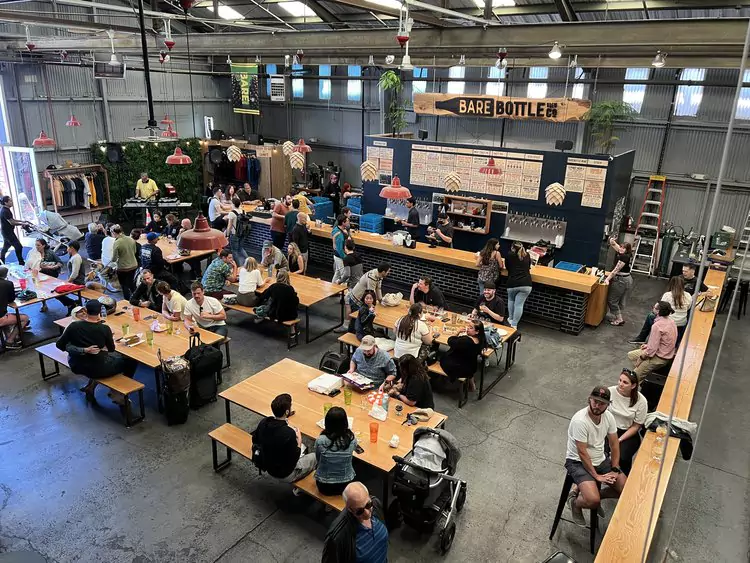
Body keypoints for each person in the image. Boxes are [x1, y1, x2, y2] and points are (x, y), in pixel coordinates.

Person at [565, 386, 627, 526]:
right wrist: (596, 476)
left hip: (600, 458)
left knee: (626, 490)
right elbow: (582, 452)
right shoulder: (580, 421)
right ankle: (575, 503)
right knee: (592, 501)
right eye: (595, 401)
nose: (597, 406)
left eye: (601, 403)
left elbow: (614, 444)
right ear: (589, 399)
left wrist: (615, 468)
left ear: (607, 405)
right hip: (577, 462)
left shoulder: (608, 417)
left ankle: (598, 495)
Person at [56, 299, 138, 405]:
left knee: (105, 359)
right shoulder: (104, 328)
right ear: (100, 312)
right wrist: (88, 349)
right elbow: (111, 349)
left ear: (86, 310)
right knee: (130, 360)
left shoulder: (74, 326)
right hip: (99, 368)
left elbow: (59, 345)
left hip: (76, 365)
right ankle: (119, 392)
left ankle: (91, 387)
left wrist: (82, 350)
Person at [251, 393, 316, 482]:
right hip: (284, 474)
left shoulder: (264, 422)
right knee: (315, 456)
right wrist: (299, 441)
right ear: (287, 412)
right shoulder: (289, 433)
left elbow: (254, 439)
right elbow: (294, 458)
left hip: (267, 464)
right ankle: (305, 487)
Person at [322, 482, 388, 563]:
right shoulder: (338, 537)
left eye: (368, 505)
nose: (367, 513)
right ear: (349, 509)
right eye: (360, 511)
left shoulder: (375, 504)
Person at [630, 276, 692, 345]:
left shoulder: (668, 295)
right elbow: (688, 308)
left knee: (650, 316)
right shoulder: (688, 295)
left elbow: (660, 308)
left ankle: (641, 338)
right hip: (681, 324)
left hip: (669, 323)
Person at [607, 369, 647, 475]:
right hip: (608, 429)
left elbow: (636, 426)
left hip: (627, 432)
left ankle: (624, 481)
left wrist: (619, 440)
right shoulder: (610, 391)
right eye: (620, 380)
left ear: (633, 386)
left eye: (625, 382)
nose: (620, 384)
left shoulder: (641, 401)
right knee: (600, 454)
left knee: (623, 457)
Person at [627, 300, 677, 381]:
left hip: (659, 357)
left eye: (654, 307)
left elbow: (651, 351)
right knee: (631, 355)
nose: (652, 308)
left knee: (633, 378)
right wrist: (648, 346)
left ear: (658, 311)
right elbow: (663, 342)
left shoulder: (657, 326)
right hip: (665, 353)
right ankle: (642, 371)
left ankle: (639, 377)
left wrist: (642, 357)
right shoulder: (671, 321)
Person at [314, 406, 358, 495]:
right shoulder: (351, 439)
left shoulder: (321, 440)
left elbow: (318, 459)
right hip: (346, 484)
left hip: (324, 486)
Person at [439, 319, 486, 391]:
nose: (468, 329)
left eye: (471, 328)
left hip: (460, 368)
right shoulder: (481, 339)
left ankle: (439, 381)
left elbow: (450, 341)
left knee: (442, 357)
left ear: (477, 331)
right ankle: (472, 385)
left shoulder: (466, 341)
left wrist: (457, 331)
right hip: (471, 366)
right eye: (468, 326)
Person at [604, 238, 633, 326]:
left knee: (612, 300)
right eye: (621, 247)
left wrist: (607, 279)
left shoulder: (624, 257)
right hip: (626, 279)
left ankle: (619, 319)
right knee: (619, 300)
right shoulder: (624, 253)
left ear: (627, 250)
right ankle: (617, 317)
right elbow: (614, 245)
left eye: (623, 248)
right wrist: (612, 240)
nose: (621, 249)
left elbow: (616, 270)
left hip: (621, 280)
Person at [0, 266, 29, 349]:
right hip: (1, 318)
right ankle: (10, 341)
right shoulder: (8, 283)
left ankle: (9, 335)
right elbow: (11, 299)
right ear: (6, 275)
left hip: (2, 315)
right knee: (25, 318)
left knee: (6, 315)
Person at [505, 241, 532, 329]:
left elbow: (507, 267)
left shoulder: (509, 255)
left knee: (511, 300)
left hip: (512, 282)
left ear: (512, 248)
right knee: (519, 305)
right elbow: (528, 267)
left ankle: (511, 319)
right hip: (526, 283)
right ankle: (514, 324)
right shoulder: (527, 255)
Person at [55, 240, 87, 313]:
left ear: (72, 248)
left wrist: (67, 282)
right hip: (75, 282)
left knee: (57, 292)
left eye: (67, 248)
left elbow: (74, 273)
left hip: (77, 283)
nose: (67, 249)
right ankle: (71, 303)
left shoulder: (76, 258)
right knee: (57, 291)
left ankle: (71, 304)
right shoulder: (74, 257)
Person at [108, 225, 138, 300]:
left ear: (113, 232)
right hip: (133, 265)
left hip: (123, 267)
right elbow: (134, 251)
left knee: (124, 285)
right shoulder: (131, 239)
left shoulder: (117, 242)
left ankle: (127, 300)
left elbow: (114, 259)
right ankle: (136, 298)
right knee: (131, 283)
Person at [0, 195, 30, 265]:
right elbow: (12, 222)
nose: (12, 202)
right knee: (18, 246)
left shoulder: (6, 210)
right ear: (5, 202)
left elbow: (12, 220)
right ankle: (21, 262)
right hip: (8, 233)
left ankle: (1, 263)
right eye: (10, 201)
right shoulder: (5, 211)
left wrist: (22, 221)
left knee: (5, 247)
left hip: (6, 232)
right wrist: (22, 224)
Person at [225, 197, 249, 265]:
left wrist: (227, 235)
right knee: (241, 248)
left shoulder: (232, 213)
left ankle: (238, 265)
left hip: (234, 234)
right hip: (242, 233)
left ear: (233, 204)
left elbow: (229, 226)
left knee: (234, 251)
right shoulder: (244, 211)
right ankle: (249, 261)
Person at [331, 214, 349, 285]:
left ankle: (332, 287)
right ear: (343, 223)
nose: (348, 222)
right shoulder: (339, 234)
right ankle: (344, 291)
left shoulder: (338, 229)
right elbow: (339, 249)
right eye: (347, 221)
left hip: (338, 255)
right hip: (339, 256)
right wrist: (346, 258)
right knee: (344, 275)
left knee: (337, 273)